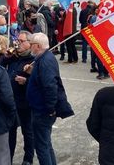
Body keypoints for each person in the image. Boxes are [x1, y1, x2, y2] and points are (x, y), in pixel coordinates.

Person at [26, 33, 74, 165]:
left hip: (42, 110)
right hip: (41, 108)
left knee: (41, 147)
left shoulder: (45, 61)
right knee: (45, 143)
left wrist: (50, 108)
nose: (30, 47)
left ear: (38, 46)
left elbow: (50, 87)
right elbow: (42, 82)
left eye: (31, 45)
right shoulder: (43, 58)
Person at [0, 31, 36, 165]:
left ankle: (28, 159)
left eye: (21, 41)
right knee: (10, 132)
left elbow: (39, 83)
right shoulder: (15, 56)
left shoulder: (33, 59)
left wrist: (27, 80)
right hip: (11, 101)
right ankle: (8, 158)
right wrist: (5, 57)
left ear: (29, 43)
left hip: (26, 102)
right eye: (17, 41)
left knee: (28, 131)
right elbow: (0, 66)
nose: (18, 44)